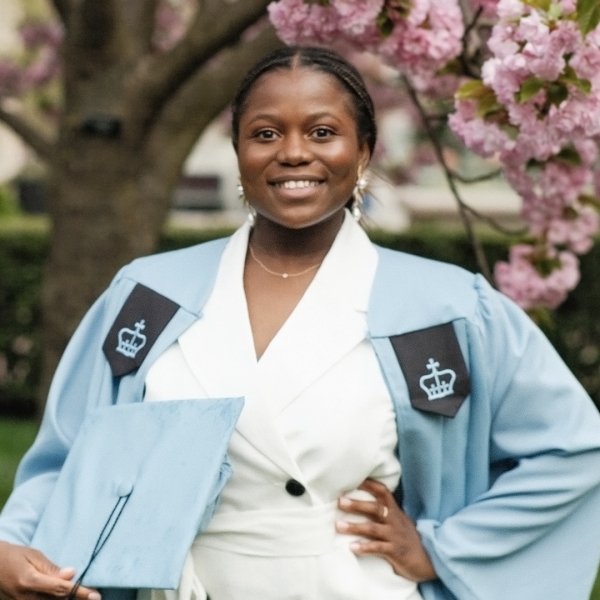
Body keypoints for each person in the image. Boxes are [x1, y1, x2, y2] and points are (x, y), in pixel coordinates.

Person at [1, 45, 600, 600]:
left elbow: (575, 450)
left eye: (322, 132)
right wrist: (10, 545)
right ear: (238, 151)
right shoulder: (150, 294)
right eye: (265, 133)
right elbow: (68, 456)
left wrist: (444, 550)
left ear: (363, 151)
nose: (293, 152)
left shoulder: (445, 308)